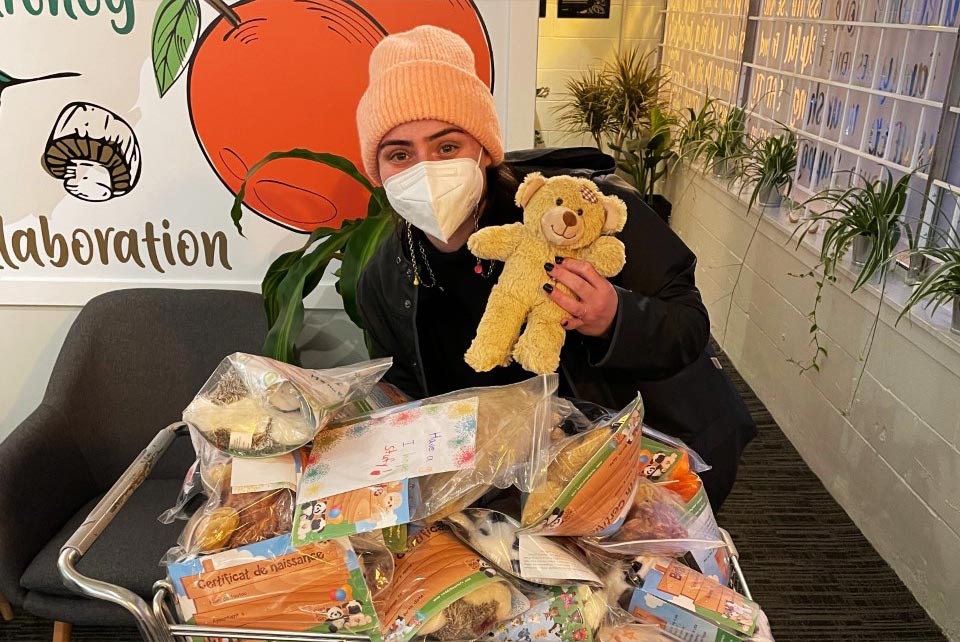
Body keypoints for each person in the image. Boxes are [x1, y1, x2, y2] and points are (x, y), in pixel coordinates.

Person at [355, 25, 755, 509]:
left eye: (446, 147)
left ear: (483, 149)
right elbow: (408, 393)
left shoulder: (581, 212)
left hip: (633, 463)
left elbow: (688, 326)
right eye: (400, 154)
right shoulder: (386, 276)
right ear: (378, 172)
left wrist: (615, 318)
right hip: (507, 484)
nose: (426, 169)